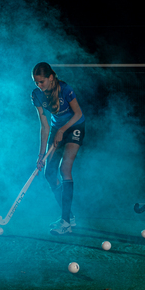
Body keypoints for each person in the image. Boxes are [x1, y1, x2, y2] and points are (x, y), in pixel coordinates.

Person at [31, 62, 85, 235]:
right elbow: (44, 126)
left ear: (51, 78)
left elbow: (78, 113)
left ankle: (65, 223)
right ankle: (68, 215)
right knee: (48, 173)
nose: (39, 85)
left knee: (65, 168)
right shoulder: (36, 95)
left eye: (41, 82)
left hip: (75, 127)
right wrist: (41, 155)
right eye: (36, 82)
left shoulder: (65, 89)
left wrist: (62, 130)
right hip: (56, 129)